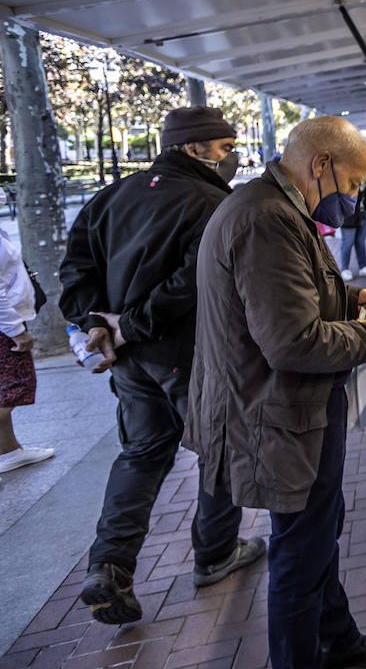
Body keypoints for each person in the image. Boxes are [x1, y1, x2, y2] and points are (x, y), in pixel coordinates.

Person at [186, 116, 366, 669]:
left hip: (289, 411)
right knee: (300, 552)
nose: (357, 196)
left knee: (319, 533)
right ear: (321, 164)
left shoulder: (271, 207)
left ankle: (339, 640)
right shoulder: (266, 218)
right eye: (355, 181)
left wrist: (344, 299)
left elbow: (284, 305)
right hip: (276, 416)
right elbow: (291, 342)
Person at [59, 106, 262, 625]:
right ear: (194, 148)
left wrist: (96, 324)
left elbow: (76, 268)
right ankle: (216, 553)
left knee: (142, 454)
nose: (231, 156)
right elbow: (193, 281)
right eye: (223, 147)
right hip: (188, 354)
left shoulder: (112, 196)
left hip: (130, 362)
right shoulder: (214, 201)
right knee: (219, 447)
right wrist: (128, 324)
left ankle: (109, 566)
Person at [0, 231, 53, 479]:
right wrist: (16, 331)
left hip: (8, 321)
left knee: (6, 389)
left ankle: (9, 452)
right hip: (5, 326)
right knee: (13, 387)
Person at [336, 179, 366, 281]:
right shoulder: (346, 177)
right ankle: (345, 269)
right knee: (348, 242)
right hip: (349, 215)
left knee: (360, 241)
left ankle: (363, 267)